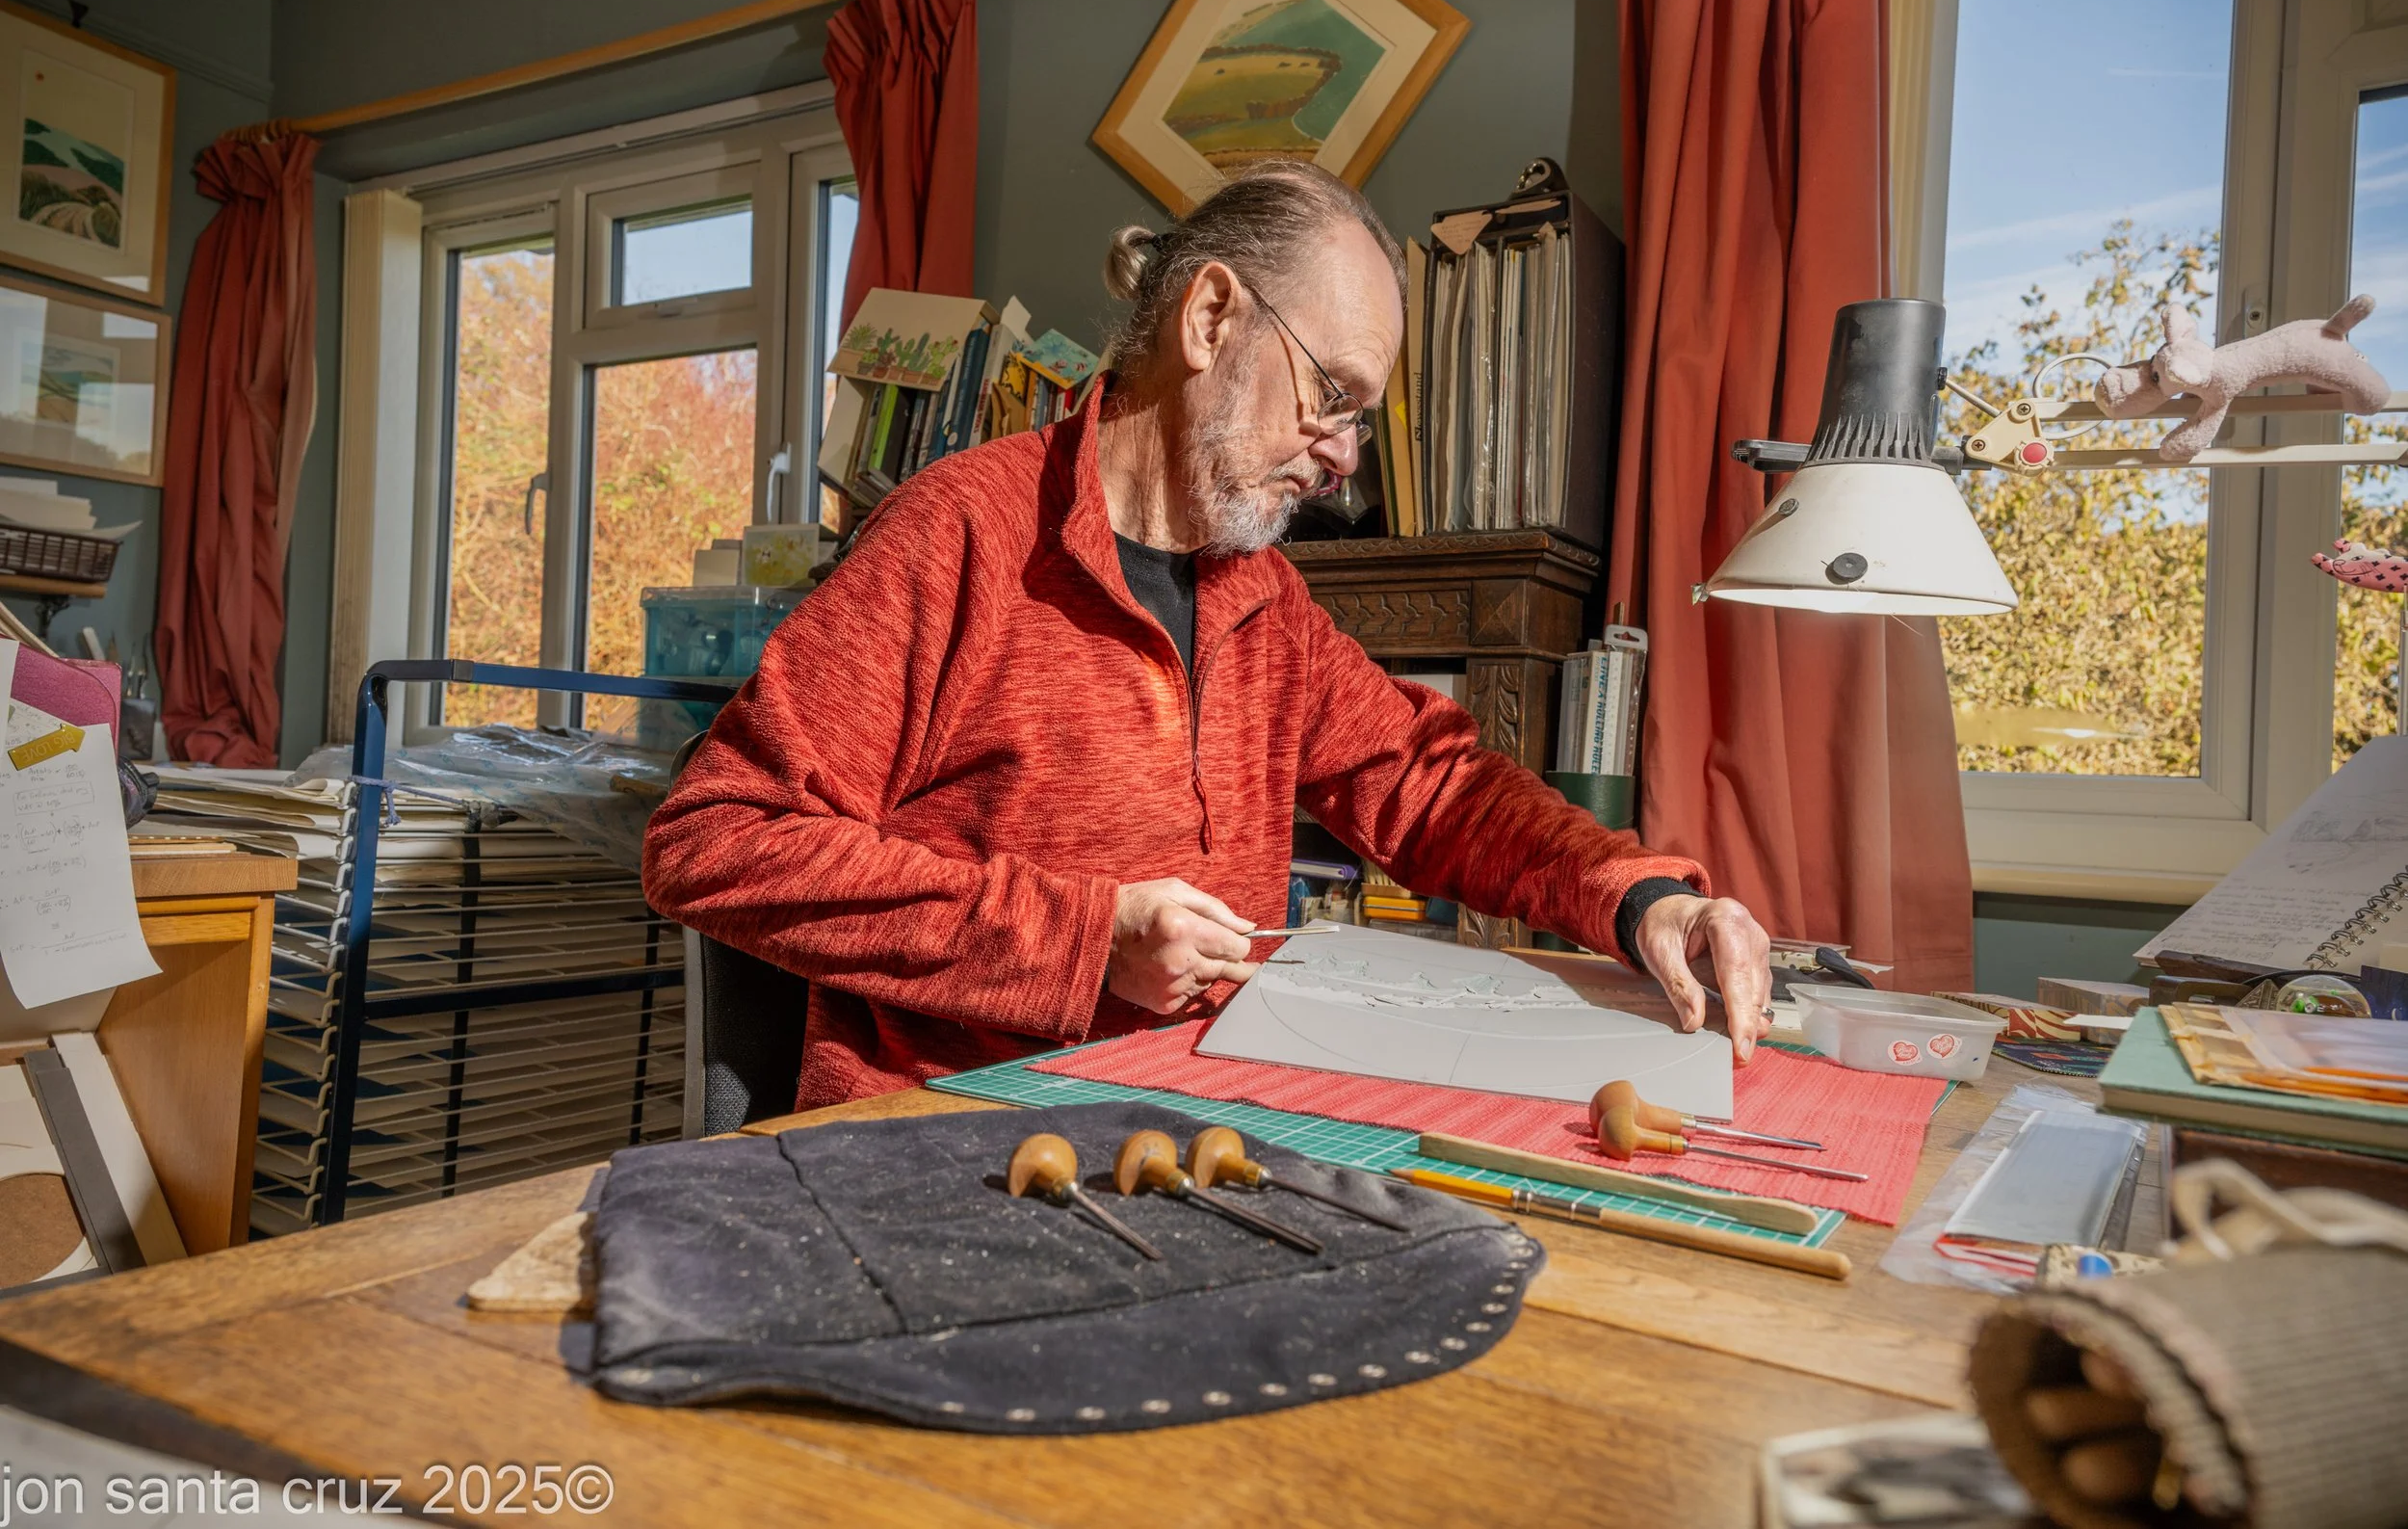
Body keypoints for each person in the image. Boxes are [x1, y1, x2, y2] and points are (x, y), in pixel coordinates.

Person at [643, 161, 1773, 1110]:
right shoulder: (959, 536)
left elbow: (1432, 789)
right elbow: (714, 839)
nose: (1343, 455)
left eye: (1360, 419)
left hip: (1200, 1119)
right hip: (956, 1146)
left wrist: (1635, 896)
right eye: (1330, 393)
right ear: (1211, 317)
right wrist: (1086, 939)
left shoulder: (1260, 597)